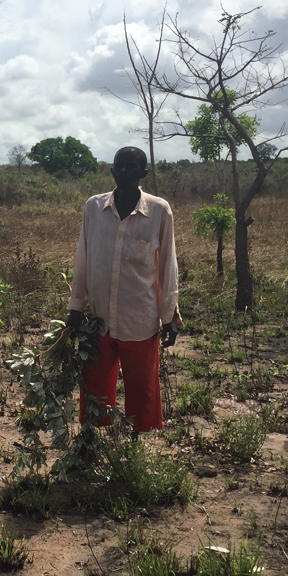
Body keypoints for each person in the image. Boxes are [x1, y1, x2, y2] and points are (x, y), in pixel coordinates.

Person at [66, 146, 179, 433]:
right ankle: (93, 439)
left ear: (143, 173)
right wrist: (76, 307)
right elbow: (84, 257)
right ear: (112, 171)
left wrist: (169, 317)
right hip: (98, 318)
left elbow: (168, 265)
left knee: (142, 388)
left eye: (132, 166)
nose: (125, 171)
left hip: (139, 318)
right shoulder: (94, 207)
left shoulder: (158, 210)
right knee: (95, 386)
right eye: (120, 166)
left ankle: (135, 448)